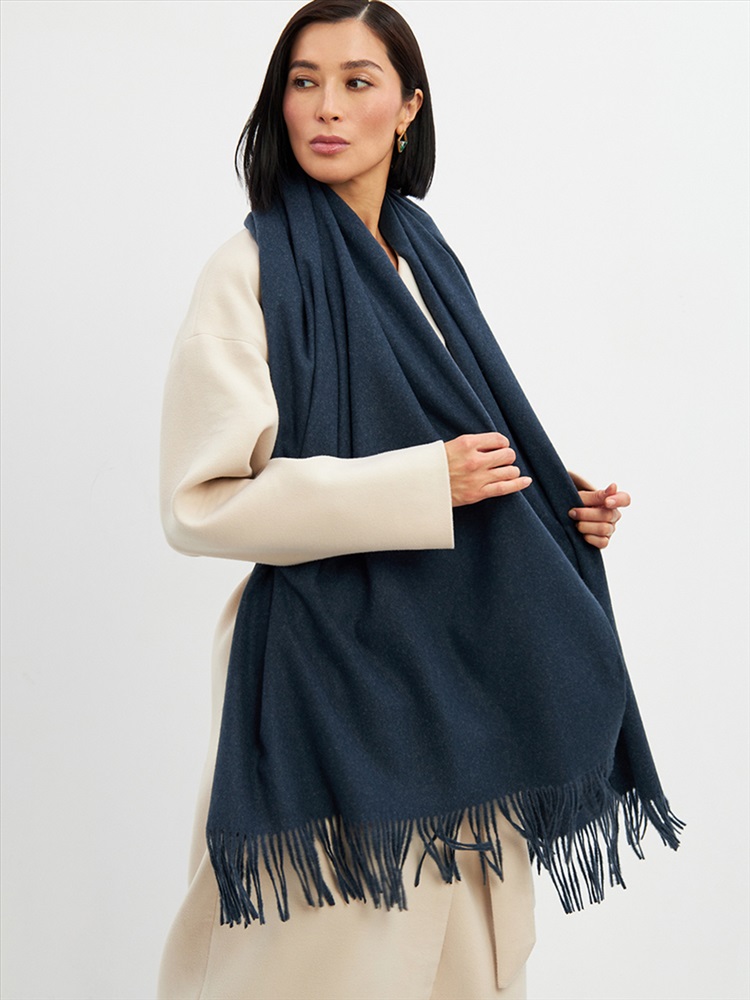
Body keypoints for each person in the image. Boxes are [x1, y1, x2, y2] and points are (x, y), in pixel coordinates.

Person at [157, 2, 682, 998]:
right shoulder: (249, 271)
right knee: (325, 961)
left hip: (460, 666)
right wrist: (423, 486)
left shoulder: (424, 253)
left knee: (464, 965)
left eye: (357, 82)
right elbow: (202, 501)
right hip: (334, 676)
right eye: (304, 81)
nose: (326, 106)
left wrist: (547, 499)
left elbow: (458, 420)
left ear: (408, 108)